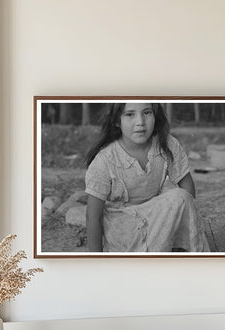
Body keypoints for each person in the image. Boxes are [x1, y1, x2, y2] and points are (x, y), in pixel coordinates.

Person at [84, 102, 209, 252]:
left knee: (180, 196)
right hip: (124, 230)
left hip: (157, 220)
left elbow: (186, 186)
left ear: (155, 115)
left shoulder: (166, 144)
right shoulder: (105, 160)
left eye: (147, 113)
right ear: (117, 121)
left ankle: (182, 254)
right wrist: (96, 262)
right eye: (130, 115)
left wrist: (186, 218)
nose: (140, 122)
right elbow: (93, 217)